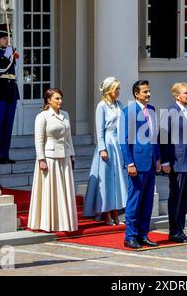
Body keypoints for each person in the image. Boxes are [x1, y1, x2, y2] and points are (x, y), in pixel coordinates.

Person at [28, 88, 78, 232]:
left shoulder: (65, 115)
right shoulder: (42, 116)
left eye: (61, 98)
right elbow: (39, 140)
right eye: (57, 98)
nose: (60, 101)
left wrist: (72, 154)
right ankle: (47, 223)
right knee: (49, 191)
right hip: (50, 158)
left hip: (65, 156)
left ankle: (63, 222)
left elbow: (69, 138)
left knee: (64, 190)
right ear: (49, 100)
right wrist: (41, 159)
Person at [120, 80, 162, 249]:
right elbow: (124, 140)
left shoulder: (151, 110)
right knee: (134, 200)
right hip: (137, 163)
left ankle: (143, 234)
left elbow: (154, 137)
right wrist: (129, 162)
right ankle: (130, 236)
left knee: (147, 201)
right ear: (136, 94)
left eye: (149, 91)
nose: (149, 94)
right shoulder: (128, 111)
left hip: (150, 162)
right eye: (145, 92)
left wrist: (158, 158)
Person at [83, 77, 128, 225]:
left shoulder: (119, 105)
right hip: (107, 144)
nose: (118, 91)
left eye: (119, 88)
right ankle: (106, 213)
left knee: (118, 180)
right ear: (109, 90)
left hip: (118, 144)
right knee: (106, 180)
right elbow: (99, 130)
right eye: (116, 89)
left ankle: (116, 213)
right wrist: (102, 148)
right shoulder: (101, 106)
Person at [160, 83, 187, 243]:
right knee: (176, 197)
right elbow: (163, 138)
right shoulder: (170, 112)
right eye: (185, 93)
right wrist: (165, 161)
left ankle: (180, 229)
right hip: (177, 161)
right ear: (176, 95)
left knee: (185, 198)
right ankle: (173, 231)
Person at [0, 24, 20, 164]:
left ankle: (5, 154)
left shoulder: (8, 51)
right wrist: (6, 56)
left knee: (8, 125)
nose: (6, 40)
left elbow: (14, 71)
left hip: (11, 91)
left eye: (7, 38)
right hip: (0, 90)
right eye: (4, 38)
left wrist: (10, 55)